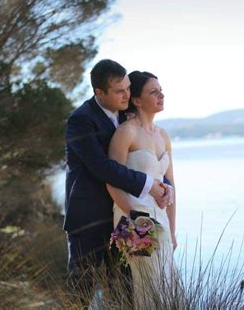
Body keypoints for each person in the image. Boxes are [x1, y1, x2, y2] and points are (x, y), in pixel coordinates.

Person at [63, 59, 173, 307]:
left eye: (127, 88)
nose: (127, 95)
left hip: (123, 217)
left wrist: (162, 186)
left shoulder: (125, 113)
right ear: (99, 92)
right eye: (119, 91)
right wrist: (148, 184)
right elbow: (102, 167)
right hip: (89, 220)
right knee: (81, 292)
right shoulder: (80, 120)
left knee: (126, 290)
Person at [106, 70, 177, 308]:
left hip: (162, 219)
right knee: (147, 284)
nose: (161, 95)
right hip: (133, 215)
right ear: (137, 100)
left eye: (161, 90)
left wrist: (173, 230)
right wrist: (134, 220)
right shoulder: (126, 133)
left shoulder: (163, 136)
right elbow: (112, 180)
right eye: (154, 92)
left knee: (167, 284)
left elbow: (171, 184)